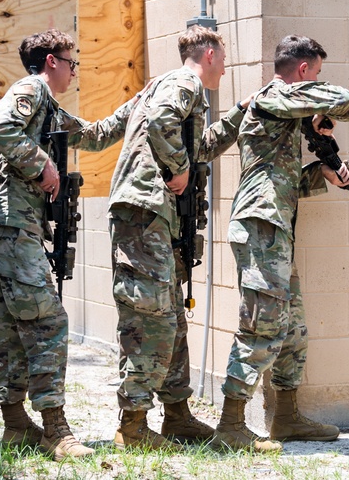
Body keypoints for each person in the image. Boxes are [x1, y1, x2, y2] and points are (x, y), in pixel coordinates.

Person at [0, 29, 137, 461]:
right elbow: (0, 125)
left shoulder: (51, 109)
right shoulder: (31, 88)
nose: (74, 72)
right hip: (12, 222)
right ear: (52, 62)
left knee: (9, 321)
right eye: (72, 63)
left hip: (13, 223)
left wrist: (134, 107)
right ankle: (55, 429)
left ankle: (16, 425)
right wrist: (41, 163)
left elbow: (96, 134)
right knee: (47, 319)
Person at [108, 24, 249, 450]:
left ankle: (176, 414)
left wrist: (242, 111)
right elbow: (162, 122)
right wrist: (178, 167)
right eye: (223, 59)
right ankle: (131, 426)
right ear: (208, 55)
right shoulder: (183, 81)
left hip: (158, 217)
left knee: (171, 315)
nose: (224, 68)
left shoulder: (188, 91)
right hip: (146, 211)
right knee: (151, 316)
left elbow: (199, 146)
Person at [214, 34, 349, 452]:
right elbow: (344, 100)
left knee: (292, 326)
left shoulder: (281, 112)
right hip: (260, 225)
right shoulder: (273, 97)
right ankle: (231, 425)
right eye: (316, 73)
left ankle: (287, 417)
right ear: (304, 71)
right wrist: (320, 106)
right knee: (262, 324)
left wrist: (325, 172)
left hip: (276, 226)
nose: (319, 81)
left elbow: (278, 174)